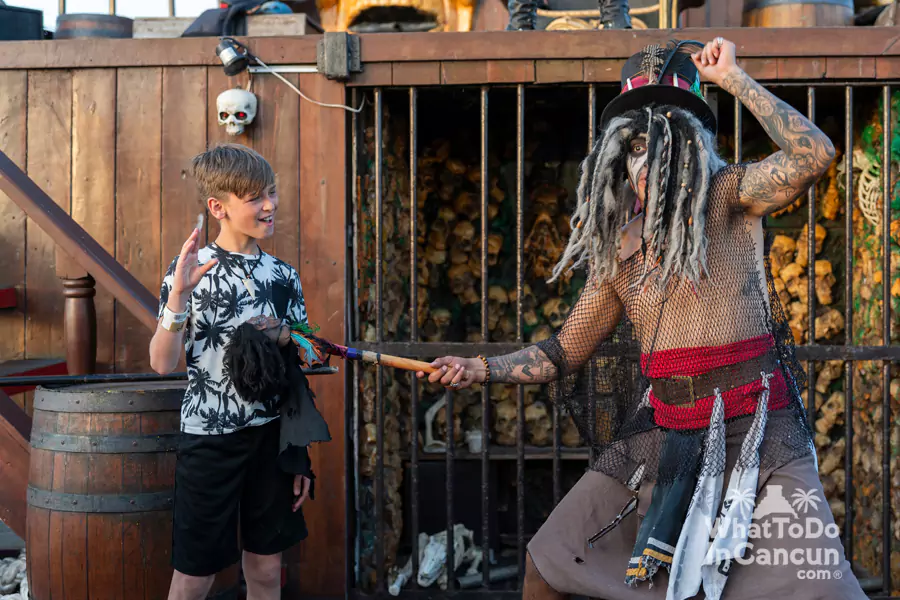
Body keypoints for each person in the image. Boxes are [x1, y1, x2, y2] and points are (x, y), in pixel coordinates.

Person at [419, 38, 867, 600]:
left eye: (663, 146)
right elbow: (560, 354)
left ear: (693, 148)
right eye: (633, 149)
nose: (646, 163)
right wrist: (478, 368)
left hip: (759, 432)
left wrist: (732, 79)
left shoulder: (730, 196)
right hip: (664, 437)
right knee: (548, 561)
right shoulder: (620, 253)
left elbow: (814, 155)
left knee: (825, 589)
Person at [150, 143, 312, 600]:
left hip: (271, 440)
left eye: (272, 193)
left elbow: (304, 361)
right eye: (256, 197)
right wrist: (178, 297)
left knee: (265, 571)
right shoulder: (187, 272)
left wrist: (299, 454)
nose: (270, 205)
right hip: (208, 441)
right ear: (217, 206)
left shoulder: (284, 276)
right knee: (194, 577)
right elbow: (162, 362)